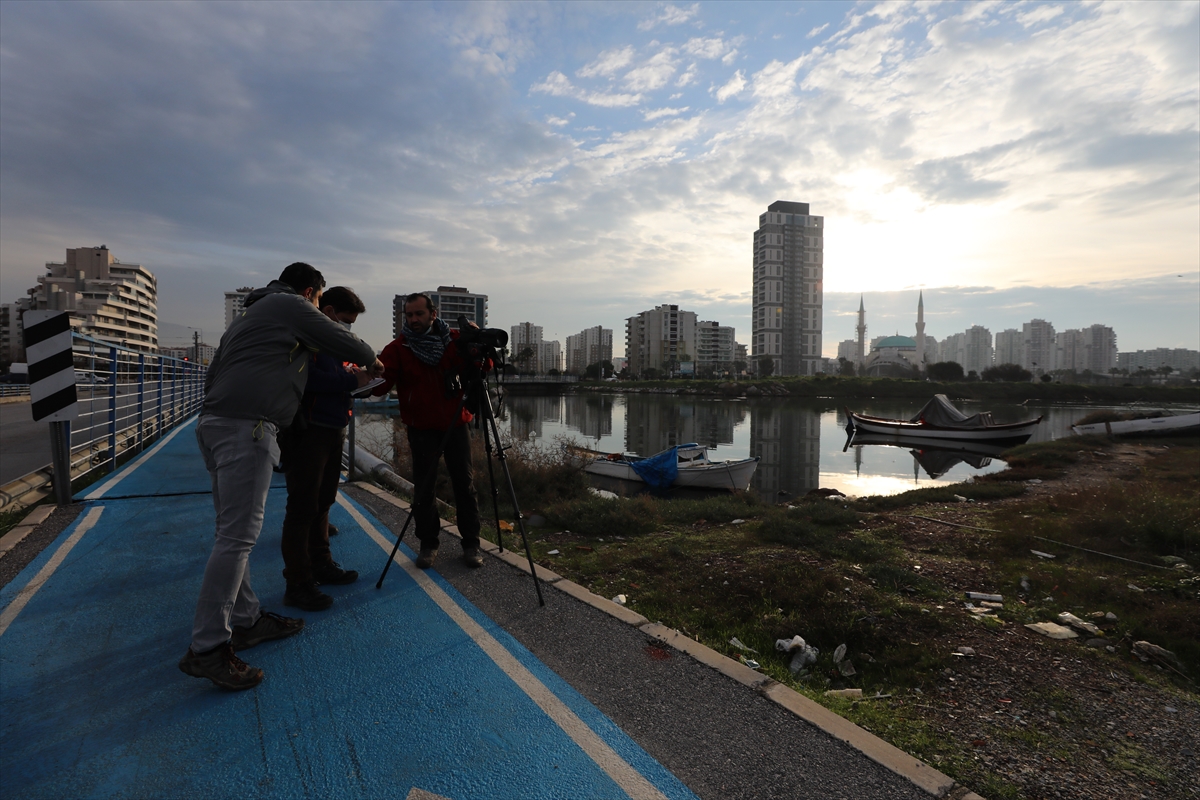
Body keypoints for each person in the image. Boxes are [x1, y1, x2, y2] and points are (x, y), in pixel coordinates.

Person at [179, 263, 383, 691]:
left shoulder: (247, 317)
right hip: (247, 428)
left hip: (215, 423)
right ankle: (209, 648)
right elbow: (344, 340)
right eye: (318, 301)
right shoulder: (289, 304)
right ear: (311, 292)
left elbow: (213, 376)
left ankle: (246, 619)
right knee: (237, 538)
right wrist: (374, 362)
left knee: (230, 533)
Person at [373, 292, 485, 570]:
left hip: (456, 424)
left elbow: (483, 367)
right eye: (409, 315)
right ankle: (428, 544)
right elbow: (378, 386)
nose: (413, 320)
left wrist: (479, 345)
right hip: (421, 427)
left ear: (433, 314)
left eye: (418, 314)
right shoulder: (399, 348)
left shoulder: (456, 341)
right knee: (423, 488)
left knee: (465, 485)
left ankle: (471, 543)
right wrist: (363, 371)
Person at [278, 286, 372, 611]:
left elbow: (337, 376)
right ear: (329, 311)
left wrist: (358, 380)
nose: (347, 328)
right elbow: (309, 380)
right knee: (302, 507)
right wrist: (351, 381)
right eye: (345, 321)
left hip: (334, 427)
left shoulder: (334, 343)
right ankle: (298, 582)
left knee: (323, 502)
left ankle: (321, 564)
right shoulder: (308, 337)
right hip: (310, 430)